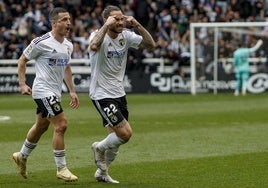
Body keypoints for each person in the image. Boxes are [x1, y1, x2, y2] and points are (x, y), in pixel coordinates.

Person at [87, 5, 156, 183]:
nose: (120, 22)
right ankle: (98, 148)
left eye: (121, 18)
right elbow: (94, 46)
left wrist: (138, 25)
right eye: (115, 19)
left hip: (119, 92)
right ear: (106, 20)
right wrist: (104, 27)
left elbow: (151, 45)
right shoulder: (97, 34)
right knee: (125, 134)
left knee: (116, 139)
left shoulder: (126, 35)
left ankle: (102, 174)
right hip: (101, 93)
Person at [12, 7, 79, 182]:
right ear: (54, 23)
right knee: (61, 124)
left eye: (69, 19)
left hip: (55, 93)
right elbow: (22, 60)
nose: (68, 23)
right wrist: (22, 83)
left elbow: (66, 67)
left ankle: (22, 155)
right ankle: (61, 168)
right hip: (42, 90)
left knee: (41, 126)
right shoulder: (41, 42)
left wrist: (72, 90)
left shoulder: (68, 45)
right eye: (64, 20)